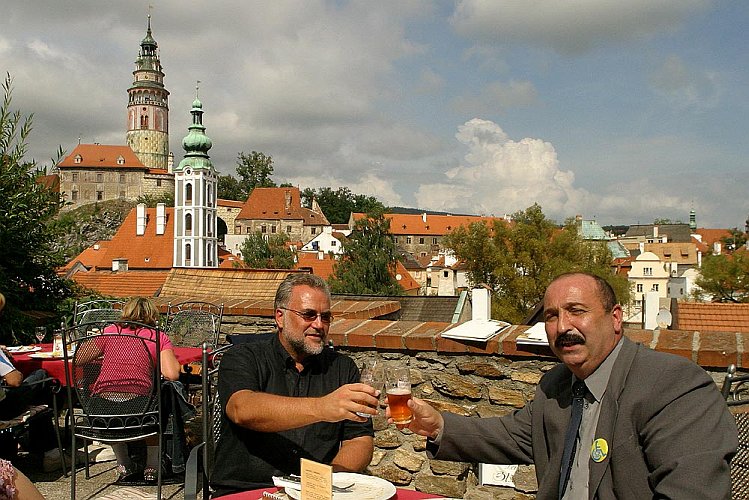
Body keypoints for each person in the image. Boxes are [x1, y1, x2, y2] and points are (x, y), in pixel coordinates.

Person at [391, 272, 738, 499]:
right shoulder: (557, 385)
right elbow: (510, 437)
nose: (562, 327)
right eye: (552, 316)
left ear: (615, 318)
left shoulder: (673, 386)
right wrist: (438, 425)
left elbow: (692, 491)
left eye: (576, 310)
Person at [211, 273, 377, 497]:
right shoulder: (243, 356)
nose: (318, 325)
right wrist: (323, 407)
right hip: (247, 490)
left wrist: (329, 479)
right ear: (280, 317)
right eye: (308, 315)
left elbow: (359, 438)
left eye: (325, 317)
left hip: (314, 493)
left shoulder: (342, 368)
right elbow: (242, 409)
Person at [78, 297, 181, 483]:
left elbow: (79, 358)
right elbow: (172, 374)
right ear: (152, 315)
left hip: (101, 409)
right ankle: (153, 466)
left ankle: (124, 463)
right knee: (161, 401)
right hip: (139, 407)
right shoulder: (156, 336)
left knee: (119, 411)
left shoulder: (110, 332)